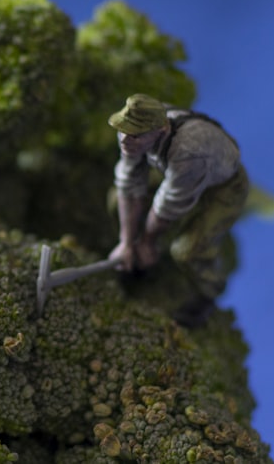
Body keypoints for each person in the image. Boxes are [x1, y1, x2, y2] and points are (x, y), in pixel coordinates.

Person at [107, 93, 249, 327]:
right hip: (170, 169)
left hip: (224, 187)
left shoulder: (189, 153)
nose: (125, 140)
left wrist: (148, 241)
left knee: (188, 250)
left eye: (135, 134)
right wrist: (126, 241)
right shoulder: (132, 136)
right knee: (116, 199)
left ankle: (208, 294)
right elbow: (128, 184)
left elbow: (168, 207)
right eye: (124, 130)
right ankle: (133, 259)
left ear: (160, 130)